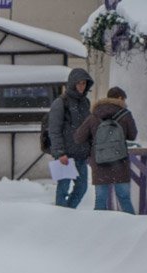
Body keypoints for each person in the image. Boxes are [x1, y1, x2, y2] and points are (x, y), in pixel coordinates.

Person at [73, 86, 138, 213]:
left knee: (100, 199)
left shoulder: (94, 115)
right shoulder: (125, 115)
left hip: (100, 163)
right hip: (120, 162)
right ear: (120, 98)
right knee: (124, 198)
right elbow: (133, 135)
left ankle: (100, 229)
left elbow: (78, 138)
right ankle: (132, 229)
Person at [48, 67, 94, 208]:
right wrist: (60, 153)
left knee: (82, 187)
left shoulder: (85, 103)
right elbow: (54, 130)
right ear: (72, 83)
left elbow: (88, 128)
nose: (82, 86)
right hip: (65, 156)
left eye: (84, 83)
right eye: (79, 83)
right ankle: (61, 216)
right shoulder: (60, 103)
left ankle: (68, 213)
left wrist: (90, 149)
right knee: (63, 189)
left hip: (81, 155)